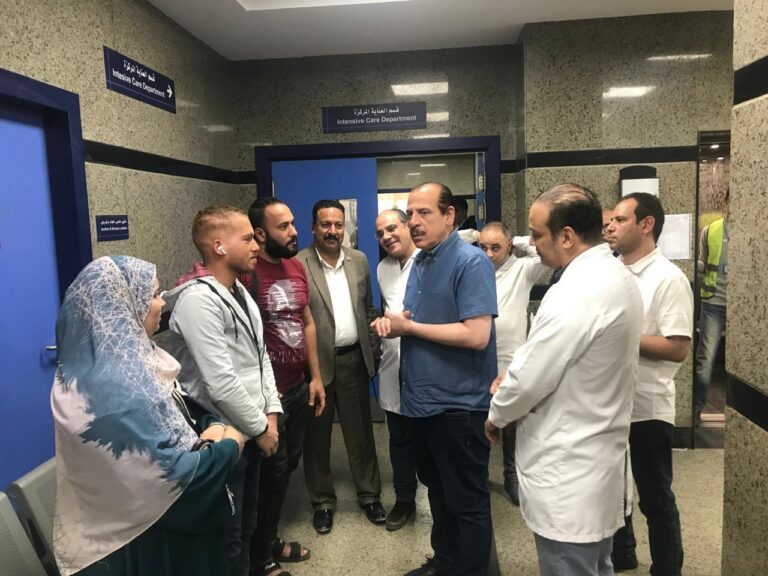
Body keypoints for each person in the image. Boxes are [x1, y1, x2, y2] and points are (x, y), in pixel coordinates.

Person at [485, 183, 643, 576]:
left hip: (569, 470)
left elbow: (530, 379)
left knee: (571, 566)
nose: (531, 244)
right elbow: (553, 358)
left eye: (536, 234)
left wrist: (497, 415)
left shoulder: (578, 291)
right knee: (596, 565)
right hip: (594, 462)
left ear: (567, 237)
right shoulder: (614, 275)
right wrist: (518, 371)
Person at [52, 256, 245, 576]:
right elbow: (174, 485)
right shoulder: (113, 393)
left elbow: (181, 410)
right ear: (121, 308)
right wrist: (230, 445)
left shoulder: (135, 365)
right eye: (153, 295)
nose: (161, 303)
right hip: (145, 546)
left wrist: (212, 425)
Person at [372, 182, 497, 576]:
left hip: (458, 407)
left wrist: (410, 329)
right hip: (421, 404)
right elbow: (419, 319)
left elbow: (477, 335)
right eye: (411, 213)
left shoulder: (470, 262)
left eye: (424, 212)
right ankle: (445, 562)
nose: (414, 221)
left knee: (466, 501)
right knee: (439, 492)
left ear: (449, 216)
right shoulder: (422, 262)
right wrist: (396, 324)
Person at [164, 206, 282, 576]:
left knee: (247, 529)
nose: (256, 245)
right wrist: (261, 429)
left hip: (252, 430)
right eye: (247, 238)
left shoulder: (239, 291)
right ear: (219, 246)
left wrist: (271, 416)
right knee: (227, 542)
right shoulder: (196, 300)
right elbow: (221, 382)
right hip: (223, 439)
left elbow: (260, 357)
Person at [606, 192, 693, 576]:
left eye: (620, 220)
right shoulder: (611, 271)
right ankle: (623, 554)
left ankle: (667, 569)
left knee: (655, 497)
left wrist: (620, 335)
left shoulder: (668, 278)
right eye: (610, 220)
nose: (610, 227)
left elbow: (677, 348)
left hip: (647, 407)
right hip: (609, 403)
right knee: (613, 492)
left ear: (646, 225)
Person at [246, 197, 325, 576]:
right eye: (283, 226)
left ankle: (267, 539)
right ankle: (259, 557)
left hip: (297, 389)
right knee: (270, 478)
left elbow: (306, 322)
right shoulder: (247, 272)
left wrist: (316, 378)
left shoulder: (295, 266)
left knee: (286, 467)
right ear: (260, 234)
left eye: (293, 223)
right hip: (267, 401)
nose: (294, 232)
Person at [297, 199, 385, 534]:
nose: (333, 231)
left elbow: (368, 309)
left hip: (353, 361)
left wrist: (372, 353)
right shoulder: (298, 264)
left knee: (360, 432)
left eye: (338, 225)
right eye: (326, 225)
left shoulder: (358, 260)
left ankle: (369, 495)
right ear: (313, 228)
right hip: (315, 367)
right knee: (316, 439)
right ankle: (322, 502)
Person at [479, 221, 546, 506]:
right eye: (483, 247)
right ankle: (479, 474)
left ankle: (511, 475)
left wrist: (517, 240)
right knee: (479, 417)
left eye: (496, 247)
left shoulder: (523, 269)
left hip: (511, 358)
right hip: (479, 355)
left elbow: (541, 254)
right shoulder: (475, 268)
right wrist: (475, 237)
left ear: (508, 245)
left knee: (510, 422)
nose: (489, 254)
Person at [374, 208, 420, 531]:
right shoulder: (383, 269)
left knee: (430, 440)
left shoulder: (428, 261)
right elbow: (390, 311)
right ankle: (404, 499)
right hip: (392, 365)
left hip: (425, 365)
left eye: (392, 228)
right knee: (399, 439)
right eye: (380, 233)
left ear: (407, 225)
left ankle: (442, 500)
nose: (386, 236)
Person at [693, 190, 729, 424]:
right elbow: (702, 262)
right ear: (727, 201)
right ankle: (696, 409)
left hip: (744, 308)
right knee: (705, 360)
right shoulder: (710, 230)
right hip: (714, 302)